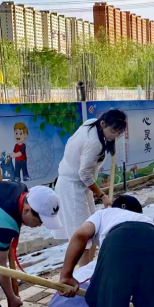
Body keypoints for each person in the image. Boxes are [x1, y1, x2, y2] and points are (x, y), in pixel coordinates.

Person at [54, 108, 127, 266]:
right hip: (71, 187)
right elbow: (84, 174)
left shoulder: (91, 124)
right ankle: (83, 278)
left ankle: (90, 269)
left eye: (119, 132)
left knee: (93, 227)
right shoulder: (94, 143)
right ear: (103, 123)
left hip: (81, 186)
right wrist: (103, 196)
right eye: (113, 131)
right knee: (82, 236)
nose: (115, 135)